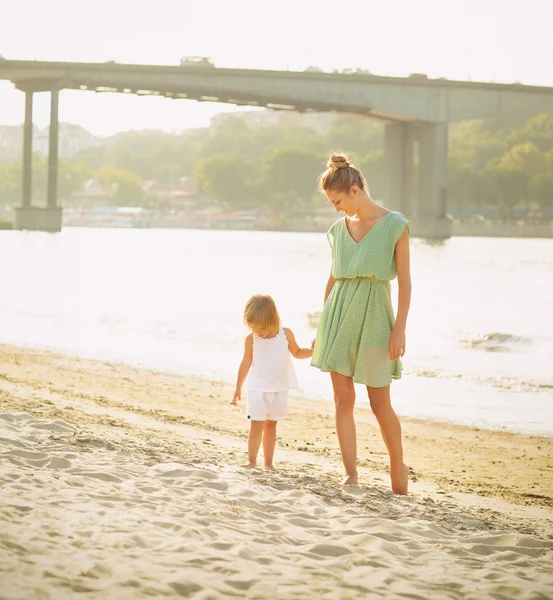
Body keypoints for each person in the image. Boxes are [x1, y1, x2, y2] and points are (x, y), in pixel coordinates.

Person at [311, 153, 412, 495]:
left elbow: (407, 283)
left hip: (375, 317)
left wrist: (399, 328)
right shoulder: (338, 231)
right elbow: (332, 278)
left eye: (338, 201)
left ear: (354, 190)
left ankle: (398, 465)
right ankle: (351, 473)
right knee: (343, 399)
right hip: (339, 314)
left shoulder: (395, 224)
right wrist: (323, 325)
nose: (336, 209)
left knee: (379, 401)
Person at [232, 294, 313, 470]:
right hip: (257, 389)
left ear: (273, 319)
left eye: (261, 328)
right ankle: (252, 461)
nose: (258, 332)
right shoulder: (251, 339)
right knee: (257, 424)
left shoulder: (286, 334)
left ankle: (268, 463)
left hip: (279, 388)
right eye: (254, 329)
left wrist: (313, 350)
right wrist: (238, 387)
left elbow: (298, 353)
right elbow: (246, 362)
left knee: (271, 425)